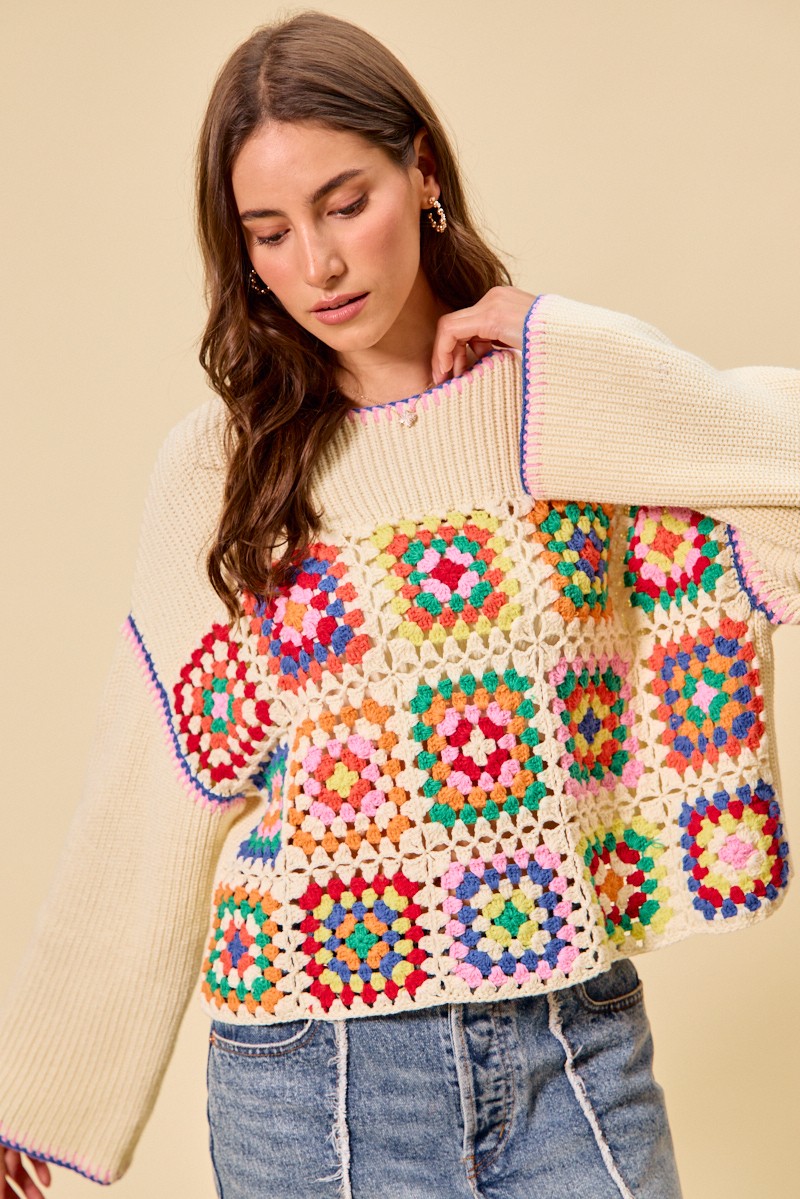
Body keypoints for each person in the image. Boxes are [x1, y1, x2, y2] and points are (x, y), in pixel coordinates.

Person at [1, 9, 798, 1198]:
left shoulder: (565, 411)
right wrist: (42, 1095)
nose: (317, 265)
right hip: (315, 1076)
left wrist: (561, 339)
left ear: (421, 170)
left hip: (570, 1042)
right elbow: (152, 780)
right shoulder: (225, 468)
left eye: (343, 204)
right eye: (269, 233)